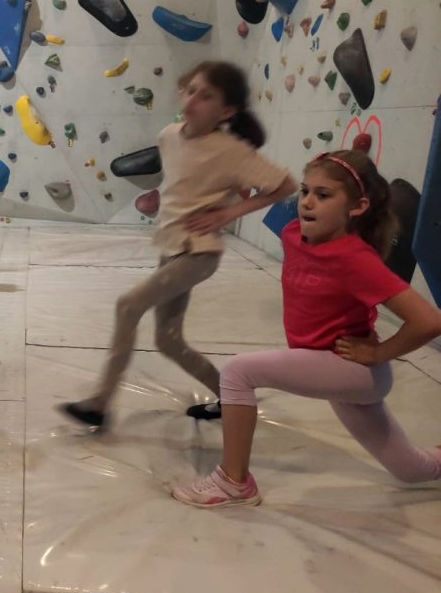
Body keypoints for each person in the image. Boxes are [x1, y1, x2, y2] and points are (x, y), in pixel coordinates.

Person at [173, 150, 441, 507]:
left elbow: (429, 321)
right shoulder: (293, 233)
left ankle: (234, 482)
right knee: (412, 469)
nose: (307, 202)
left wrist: (378, 353)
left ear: (357, 207)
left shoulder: (355, 258)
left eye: (323, 195)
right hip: (328, 368)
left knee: (238, 372)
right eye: (305, 191)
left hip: (352, 369)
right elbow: (270, 189)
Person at [60, 61, 296, 429]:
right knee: (168, 341)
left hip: (198, 253)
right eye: (192, 91)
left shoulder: (231, 150)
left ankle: (100, 404)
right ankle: (233, 395)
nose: (193, 100)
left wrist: (228, 213)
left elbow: (285, 185)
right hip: (171, 248)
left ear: (226, 111)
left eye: (207, 96)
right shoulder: (169, 135)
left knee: (128, 306)